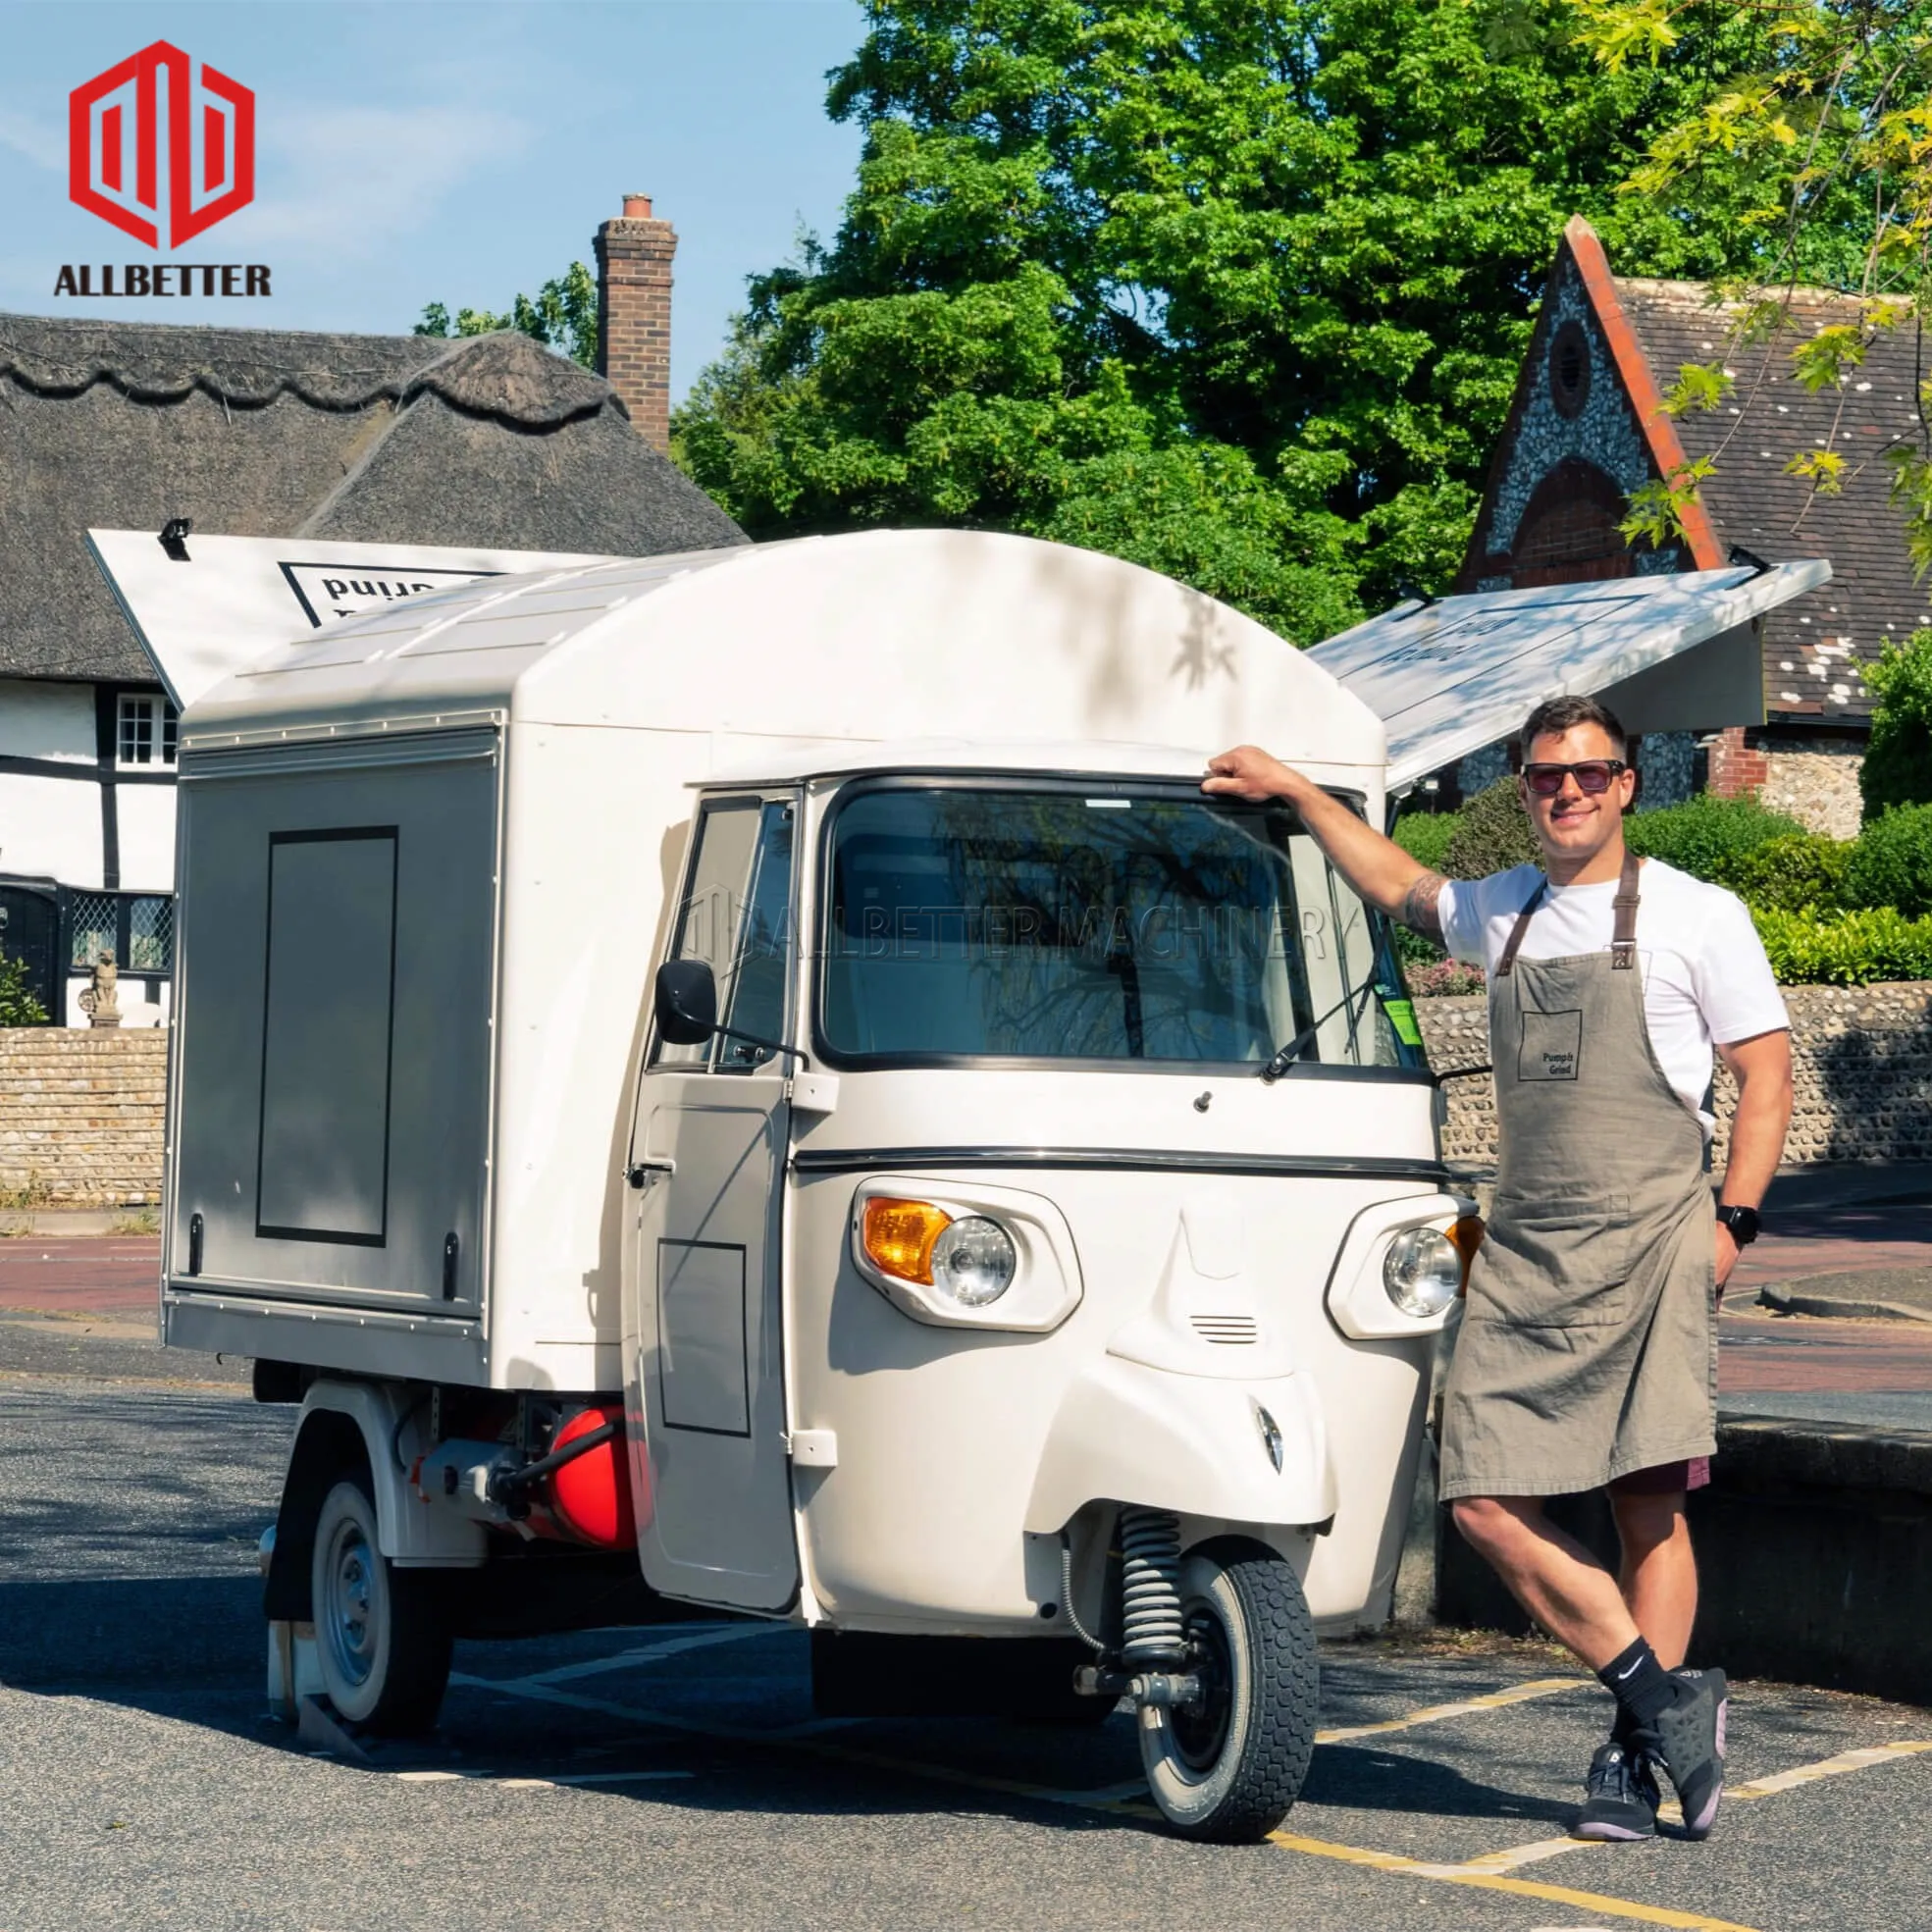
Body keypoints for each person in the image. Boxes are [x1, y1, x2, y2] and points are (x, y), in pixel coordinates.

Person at [1204, 696, 1793, 1843]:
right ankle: (1666, 1700)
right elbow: (1395, 884)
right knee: (1479, 1499)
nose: (1563, 792)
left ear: (1627, 784)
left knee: (1646, 1509)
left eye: (1585, 774)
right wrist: (1304, 794)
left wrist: (1732, 1226)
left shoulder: (1696, 916)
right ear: (1523, 791)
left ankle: (1630, 1757)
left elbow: (1764, 1078)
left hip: (1653, 1243)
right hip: (1523, 1244)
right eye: (1541, 778)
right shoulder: (1500, 912)